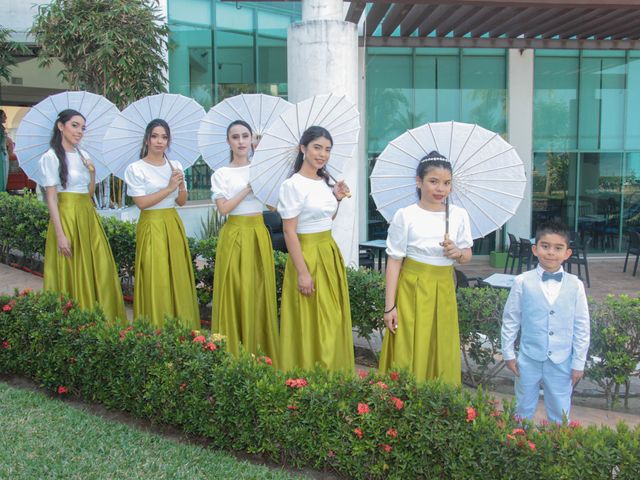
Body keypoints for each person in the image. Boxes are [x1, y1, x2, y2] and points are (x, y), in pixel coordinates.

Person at [378, 151, 472, 384]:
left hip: (444, 288)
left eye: (447, 183)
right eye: (434, 181)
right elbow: (394, 261)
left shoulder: (458, 215)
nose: (440, 188)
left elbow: (467, 254)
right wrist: (390, 307)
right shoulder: (405, 215)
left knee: (440, 343)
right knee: (410, 343)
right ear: (419, 182)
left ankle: (439, 405)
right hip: (412, 288)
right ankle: (404, 400)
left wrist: (457, 253)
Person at [277, 126, 353, 371]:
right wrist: (302, 272)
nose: (323, 154)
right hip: (306, 255)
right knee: (311, 320)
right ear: (303, 149)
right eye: (317, 147)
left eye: (327, 149)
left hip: (328, 252)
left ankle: (333, 374)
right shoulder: (293, 185)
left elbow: (326, 219)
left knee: (332, 318)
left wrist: (337, 199)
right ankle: (309, 374)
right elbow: (290, 231)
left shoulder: (324, 182)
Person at [40, 109, 126, 324]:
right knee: (71, 269)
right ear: (61, 126)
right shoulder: (50, 157)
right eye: (75, 125)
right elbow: (51, 199)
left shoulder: (83, 155)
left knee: (100, 266)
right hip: (66, 217)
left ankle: (101, 320)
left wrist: (93, 173)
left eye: (83, 128)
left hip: (87, 216)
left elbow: (87, 194)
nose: (79, 131)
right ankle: (74, 324)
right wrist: (60, 235)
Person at [501, 221, 590, 423]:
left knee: (560, 411)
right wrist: (508, 353)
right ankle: (519, 443)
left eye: (558, 248)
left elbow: (582, 326)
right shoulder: (522, 281)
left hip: (562, 361)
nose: (551, 252)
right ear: (535, 249)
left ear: (567, 253)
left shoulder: (576, 285)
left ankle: (558, 449)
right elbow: (511, 319)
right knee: (522, 407)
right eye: (545, 246)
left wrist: (578, 362)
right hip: (528, 358)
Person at [210, 120, 278, 364]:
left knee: (259, 289)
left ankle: (261, 350)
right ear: (228, 141)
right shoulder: (221, 174)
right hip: (235, 234)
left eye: (245, 136)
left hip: (259, 233)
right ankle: (234, 351)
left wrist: (263, 180)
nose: (240, 141)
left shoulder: (261, 170)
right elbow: (223, 209)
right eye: (235, 137)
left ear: (252, 140)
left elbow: (274, 206)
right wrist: (247, 189)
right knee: (235, 289)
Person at [124, 118, 199, 330]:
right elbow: (141, 203)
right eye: (155, 136)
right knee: (155, 275)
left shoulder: (175, 166)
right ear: (147, 139)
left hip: (172, 223)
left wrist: (181, 186)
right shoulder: (136, 168)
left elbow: (181, 201)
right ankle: (156, 325)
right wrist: (168, 188)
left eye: (164, 137)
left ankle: (182, 324)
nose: (160, 141)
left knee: (177, 274)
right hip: (151, 224)